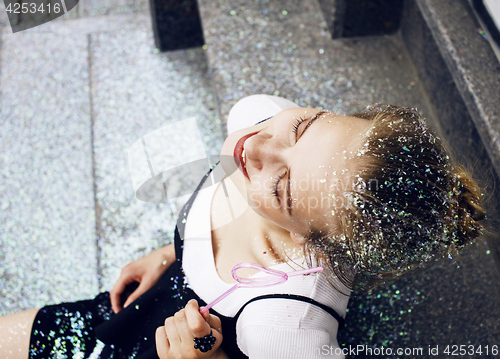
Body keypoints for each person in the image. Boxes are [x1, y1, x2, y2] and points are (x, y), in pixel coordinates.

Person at [0, 95, 486, 359]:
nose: (254, 148)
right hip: (122, 319)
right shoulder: (260, 116)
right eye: (303, 128)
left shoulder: (281, 326)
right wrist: (167, 254)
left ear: (308, 241)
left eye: (281, 187)